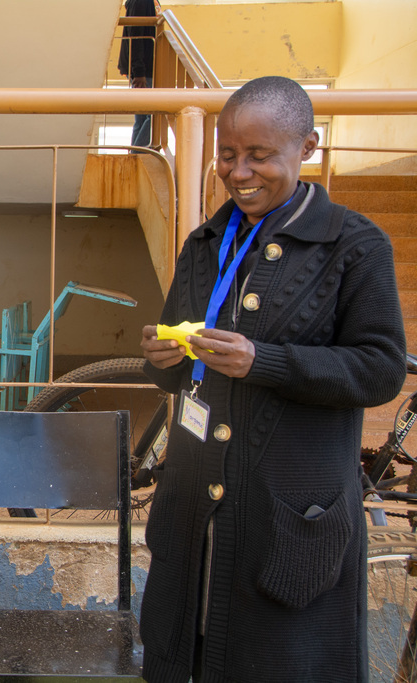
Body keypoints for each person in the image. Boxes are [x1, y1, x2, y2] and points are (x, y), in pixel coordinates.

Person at [139, 76, 407, 682]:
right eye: (227, 154)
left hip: (289, 524)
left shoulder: (353, 245)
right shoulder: (205, 243)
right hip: (193, 516)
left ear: (307, 146)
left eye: (260, 155)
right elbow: (177, 372)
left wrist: (265, 361)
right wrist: (164, 357)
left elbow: (381, 369)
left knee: (280, 663)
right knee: (182, 655)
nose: (239, 173)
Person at [117, 0, 157, 150]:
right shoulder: (141, 0)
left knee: (142, 118)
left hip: (144, 68)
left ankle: (135, 153)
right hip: (144, 69)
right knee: (154, 116)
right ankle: (137, 153)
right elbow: (136, 35)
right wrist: (139, 71)